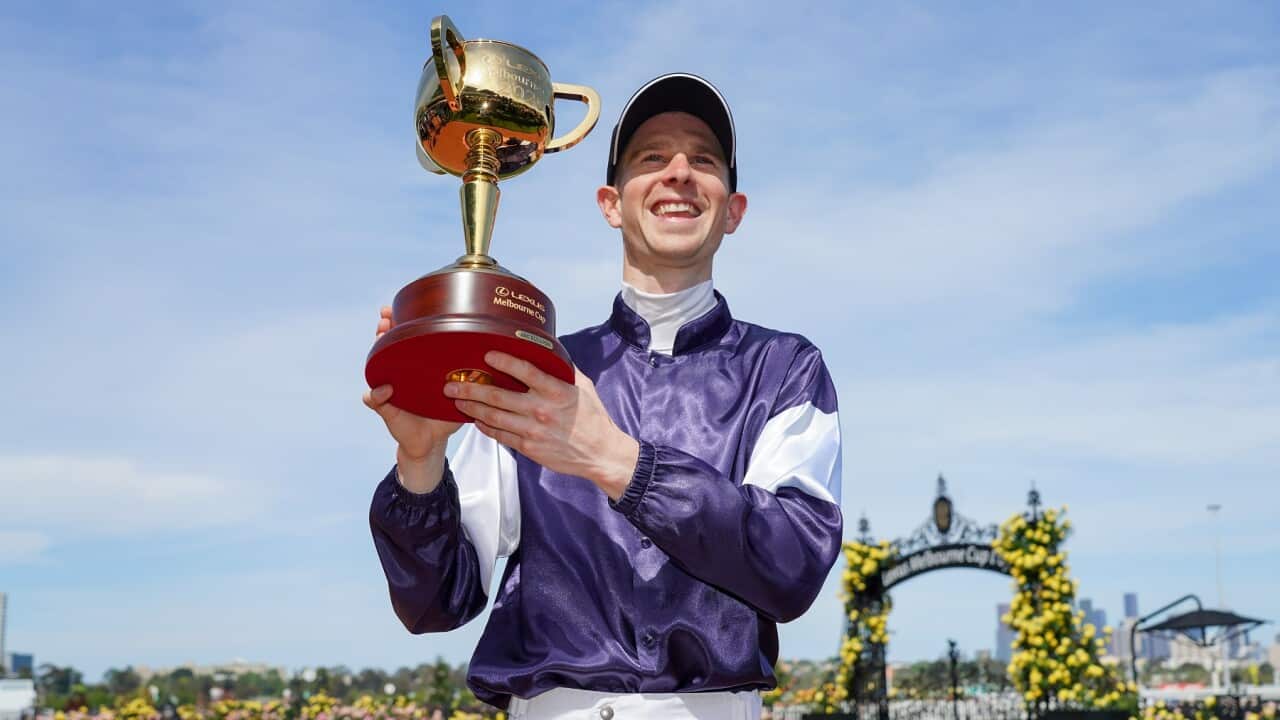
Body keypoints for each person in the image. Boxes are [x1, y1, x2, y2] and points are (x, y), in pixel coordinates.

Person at [365, 73, 843, 720]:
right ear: (610, 204)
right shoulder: (532, 370)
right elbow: (435, 603)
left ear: (733, 210)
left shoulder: (785, 368)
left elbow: (792, 564)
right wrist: (420, 463)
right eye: (652, 157)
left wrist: (617, 462)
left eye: (704, 159)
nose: (679, 172)